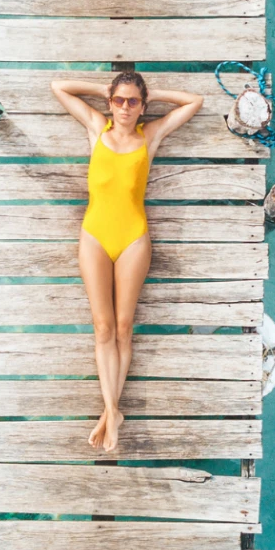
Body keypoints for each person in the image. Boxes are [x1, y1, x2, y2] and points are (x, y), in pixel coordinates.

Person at [50, 73, 204, 452]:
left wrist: (152, 95)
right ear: (110, 101)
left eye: (132, 101)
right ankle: (112, 411)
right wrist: (102, 89)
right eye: (118, 100)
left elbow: (194, 102)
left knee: (122, 327)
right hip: (95, 236)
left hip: (133, 238)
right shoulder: (95, 127)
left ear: (142, 106)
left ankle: (110, 413)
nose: (123, 107)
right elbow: (59, 87)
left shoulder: (149, 136)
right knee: (102, 327)